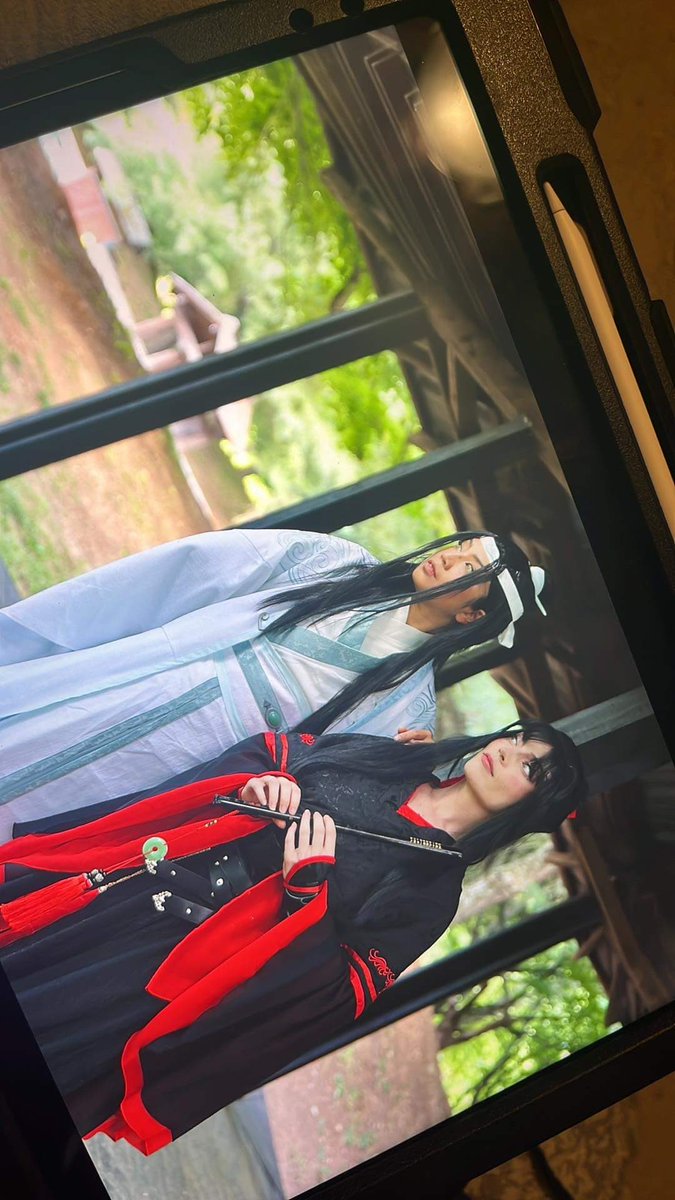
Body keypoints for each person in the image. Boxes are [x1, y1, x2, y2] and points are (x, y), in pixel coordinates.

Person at [0, 720, 585, 1154]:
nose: (508, 750)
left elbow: (334, 996)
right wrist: (264, 785)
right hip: (139, 885)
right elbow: (277, 751)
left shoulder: (431, 894)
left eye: (530, 767)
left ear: (534, 809)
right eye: (517, 738)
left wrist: (305, 897)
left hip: (171, 970)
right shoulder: (391, 760)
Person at [0, 527, 546, 839]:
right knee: (50, 728)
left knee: (93, 806)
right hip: (174, 677)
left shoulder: (411, 709)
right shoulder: (342, 565)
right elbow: (218, 565)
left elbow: (337, 786)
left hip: (210, 757)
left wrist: (394, 764)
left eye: (468, 568)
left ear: (472, 616)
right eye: (460, 547)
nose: (448, 558)